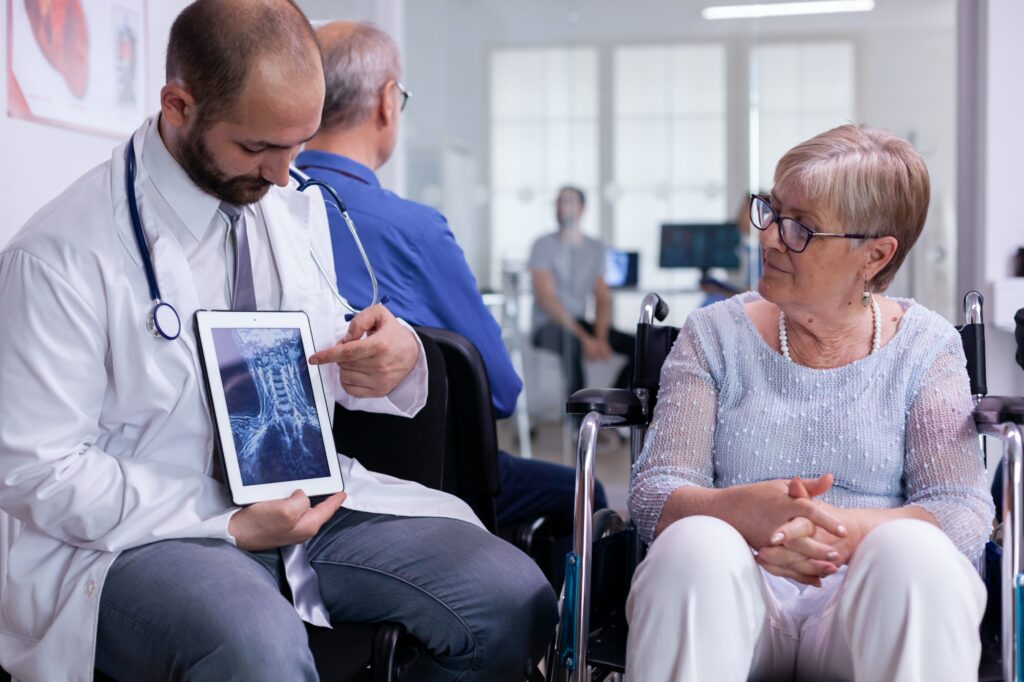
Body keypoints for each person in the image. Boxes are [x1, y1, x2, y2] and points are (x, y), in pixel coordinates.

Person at [0, 2, 556, 680]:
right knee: (255, 646)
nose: (281, 174)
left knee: (507, 594)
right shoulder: (61, 254)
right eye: (258, 148)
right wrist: (227, 523)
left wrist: (396, 357)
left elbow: (326, 352)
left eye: (298, 145)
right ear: (179, 106)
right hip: (143, 534)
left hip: (301, 506)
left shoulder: (288, 204)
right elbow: (37, 470)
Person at [625, 125, 994, 681]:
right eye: (771, 212)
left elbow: (961, 511)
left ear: (874, 254)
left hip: (865, 606)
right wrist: (742, 514)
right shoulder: (712, 334)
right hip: (736, 596)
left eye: (801, 227)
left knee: (917, 554)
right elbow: (654, 493)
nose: (770, 237)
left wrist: (844, 530)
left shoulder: (928, 347)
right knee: (694, 544)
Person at [294, 22, 606, 544]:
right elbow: (500, 392)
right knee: (585, 493)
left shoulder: (262, 212)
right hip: (420, 485)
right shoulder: (413, 230)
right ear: (387, 102)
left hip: (298, 483)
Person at [530, 187, 636, 396]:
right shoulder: (542, 246)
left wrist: (601, 338)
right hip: (547, 326)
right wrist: (586, 339)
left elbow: (602, 297)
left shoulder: (595, 247)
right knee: (574, 346)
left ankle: (611, 405)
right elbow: (547, 299)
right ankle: (580, 422)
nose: (562, 207)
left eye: (569, 202)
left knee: (640, 348)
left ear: (582, 208)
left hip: (579, 322)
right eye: (559, 202)